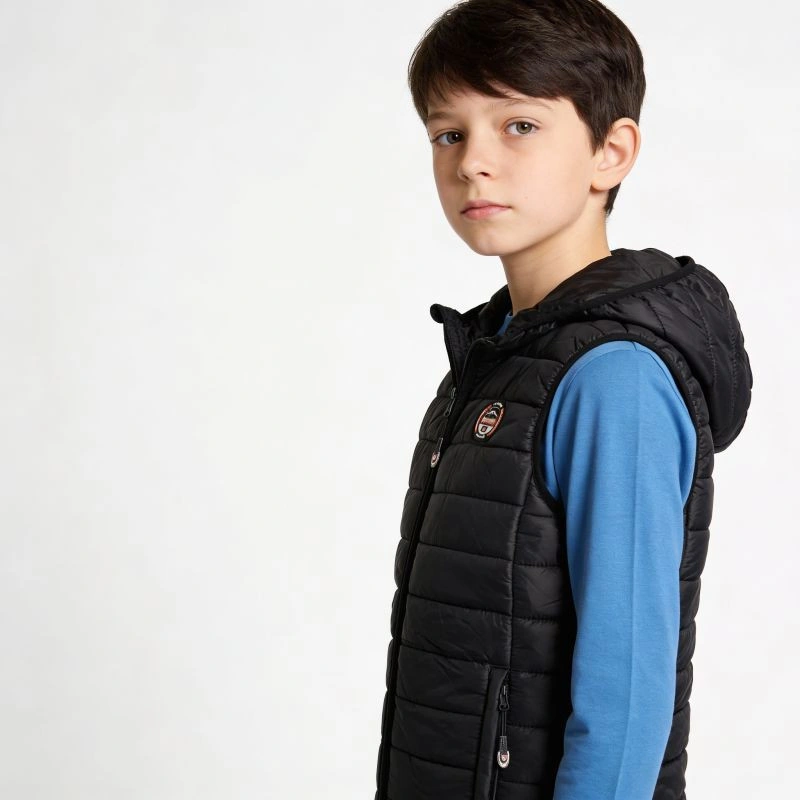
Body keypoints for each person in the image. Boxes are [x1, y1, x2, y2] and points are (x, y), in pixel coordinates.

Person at [373, 1, 754, 799]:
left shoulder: (613, 378)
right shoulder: (496, 357)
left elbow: (626, 704)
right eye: (449, 134)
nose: (474, 162)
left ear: (610, 152)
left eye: (519, 126)